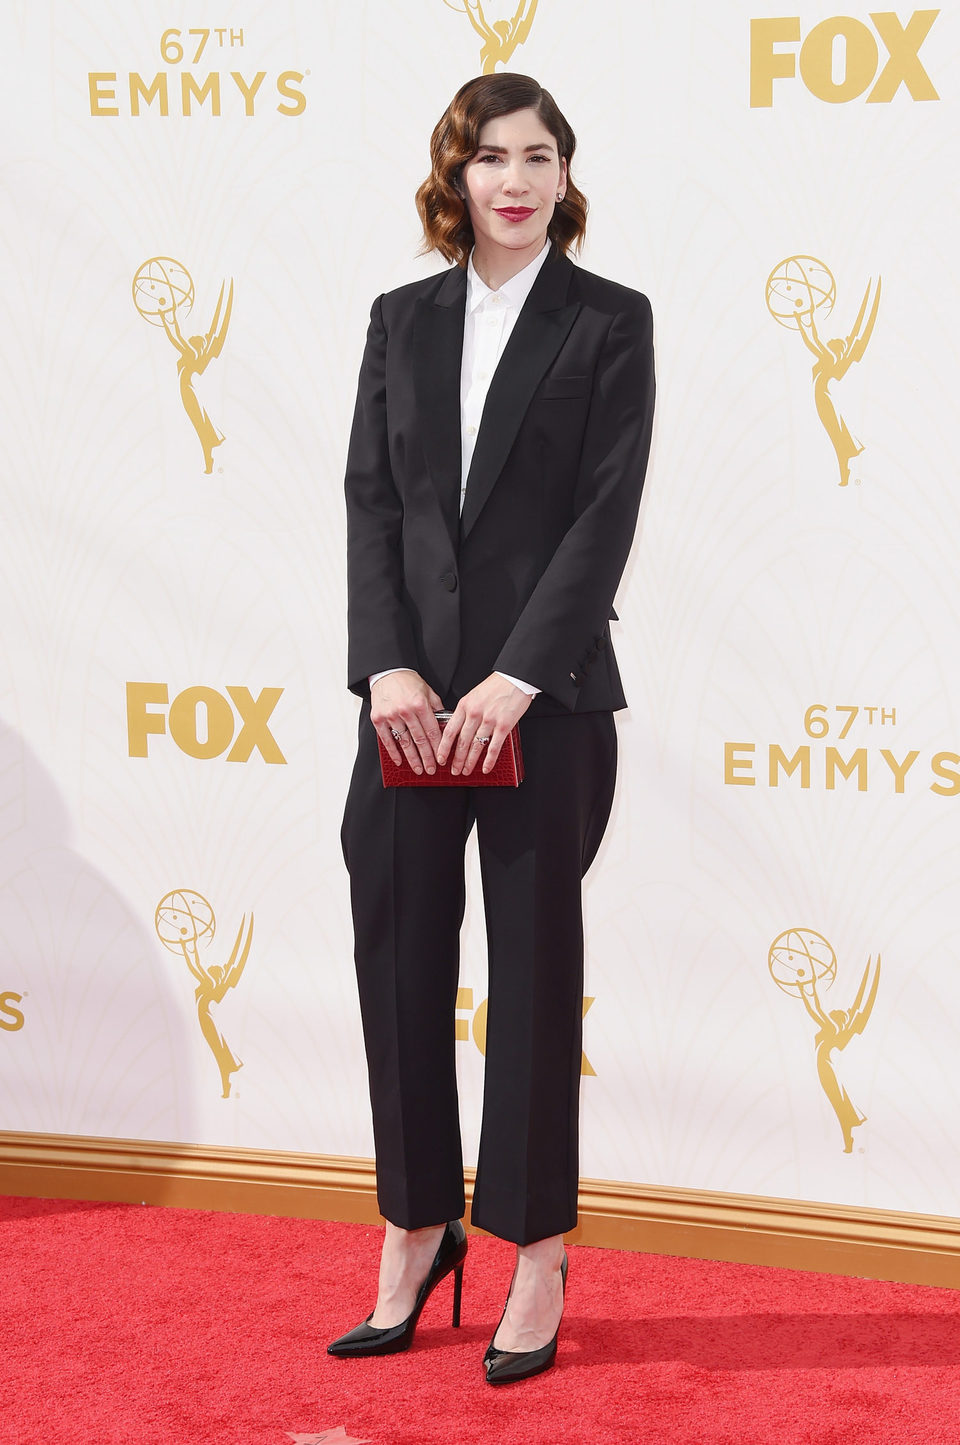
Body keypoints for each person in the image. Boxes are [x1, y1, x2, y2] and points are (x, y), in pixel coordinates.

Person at [328, 72, 655, 1383]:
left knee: (527, 982)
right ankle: (417, 1227)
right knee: (398, 966)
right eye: (488, 156)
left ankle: (535, 1250)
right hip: (408, 715)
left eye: (538, 155)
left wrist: (517, 673)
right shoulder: (399, 322)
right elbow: (371, 504)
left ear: (565, 176)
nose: (513, 178)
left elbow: (605, 512)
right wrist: (388, 667)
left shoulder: (608, 322)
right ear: (453, 177)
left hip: (546, 707)